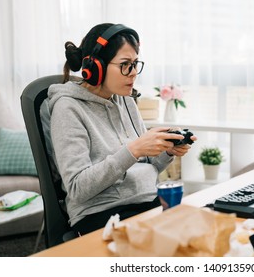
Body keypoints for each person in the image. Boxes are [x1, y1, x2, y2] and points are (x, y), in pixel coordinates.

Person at [47, 23, 196, 235]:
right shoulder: (67, 108)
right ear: (95, 68)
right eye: (125, 64)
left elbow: (147, 166)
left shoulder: (125, 100)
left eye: (136, 64)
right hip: (101, 215)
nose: (133, 73)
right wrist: (133, 150)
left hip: (147, 203)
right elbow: (77, 189)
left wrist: (167, 151)